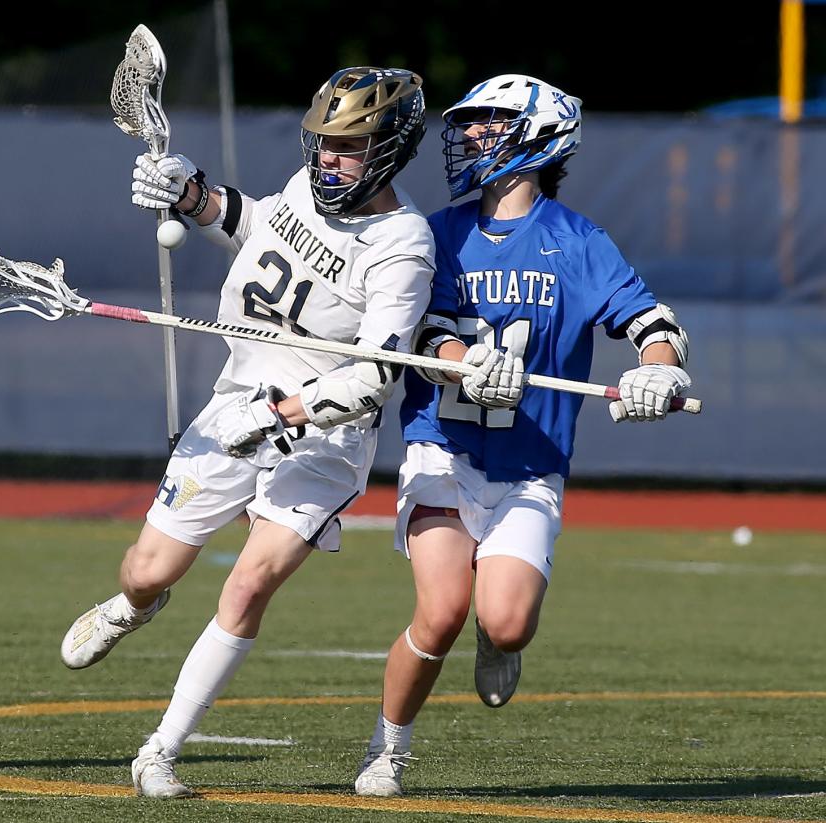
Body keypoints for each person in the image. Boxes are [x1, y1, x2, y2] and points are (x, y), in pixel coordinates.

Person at [59, 67, 435, 798]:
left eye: (349, 147)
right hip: (235, 396)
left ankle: (159, 750)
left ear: (390, 149)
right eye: (323, 142)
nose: (328, 159)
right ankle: (135, 606)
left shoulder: (402, 245)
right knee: (147, 570)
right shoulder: (304, 188)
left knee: (249, 583)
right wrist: (191, 192)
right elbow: (252, 225)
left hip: (321, 437)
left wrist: (274, 414)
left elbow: (374, 378)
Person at [354, 74, 693, 797]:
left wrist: (656, 373)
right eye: (472, 124)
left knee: (504, 623)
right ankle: (389, 748)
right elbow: (424, 330)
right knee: (439, 609)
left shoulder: (576, 241)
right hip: (441, 445)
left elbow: (651, 325)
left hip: (530, 462)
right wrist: (463, 365)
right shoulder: (437, 232)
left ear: (540, 138)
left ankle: (496, 634)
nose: (473, 135)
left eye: (491, 124)